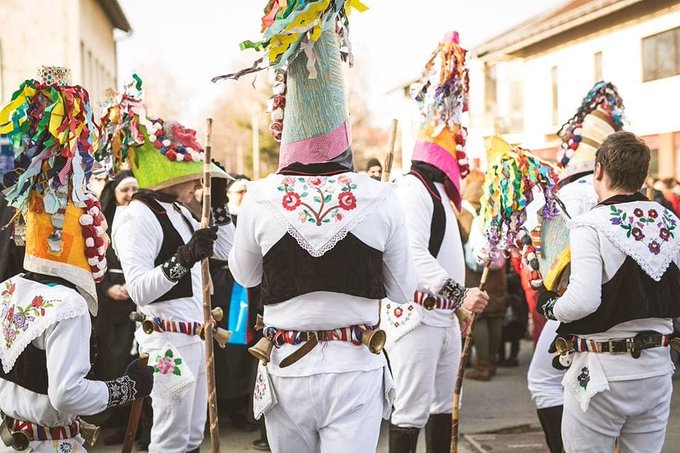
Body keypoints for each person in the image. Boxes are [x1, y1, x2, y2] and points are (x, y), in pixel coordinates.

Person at [222, 3, 416, 450]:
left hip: (286, 362)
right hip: (354, 364)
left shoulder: (260, 196)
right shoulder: (381, 195)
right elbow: (403, 290)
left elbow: (245, 275)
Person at [0, 66, 153, 453]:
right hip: (48, 443)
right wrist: (124, 388)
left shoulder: (8, 289)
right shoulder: (66, 304)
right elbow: (67, 394)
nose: (101, 241)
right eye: (96, 233)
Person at [101, 79, 235, 453]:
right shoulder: (136, 216)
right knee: (171, 436)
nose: (196, 184)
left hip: (194, 337)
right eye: (191, 177)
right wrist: (184, 258)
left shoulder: (179, 211)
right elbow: (140, 290)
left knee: (191, 435)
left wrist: (219, 206)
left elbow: (227, 252)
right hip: (166, 342)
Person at [538, 131, 680, 453]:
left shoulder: (590, 224)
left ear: (599, 170)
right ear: (642, 175)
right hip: (656, 369)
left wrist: (548, 305)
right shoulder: (671, 222)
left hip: (601, 372)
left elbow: (583, 301)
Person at [381, 32, 488, 453]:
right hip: (417, 317)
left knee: (444, 408)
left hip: (443, 318)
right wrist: (460, 294)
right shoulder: (412, 188)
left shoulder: (440, 193)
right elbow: (412, 256)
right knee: (410, 410)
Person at [528, 81, 625, 453]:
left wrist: (546, 292)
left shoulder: (568, 194)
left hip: (579, 302)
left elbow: (555, 265)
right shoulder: (634, 198)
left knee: (544, 381)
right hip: (626, 308)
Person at [93, 170, 141, 445]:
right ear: (114, 193)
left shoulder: (143, 218)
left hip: (136, 303)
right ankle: (112, 416)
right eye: (125, 190)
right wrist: (107, 288)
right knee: (111, 363)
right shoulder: (102, 221)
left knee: (130, 364)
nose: (130, 195)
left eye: (135, 189)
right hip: (110, 307)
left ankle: (129, 422)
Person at [458, 170, 507, 381]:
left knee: (479, 319)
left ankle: (483, 365)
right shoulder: (496, 211)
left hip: (474, 275)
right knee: (495, 316)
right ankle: (492, 362)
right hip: (497, 272)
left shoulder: (464, 214)